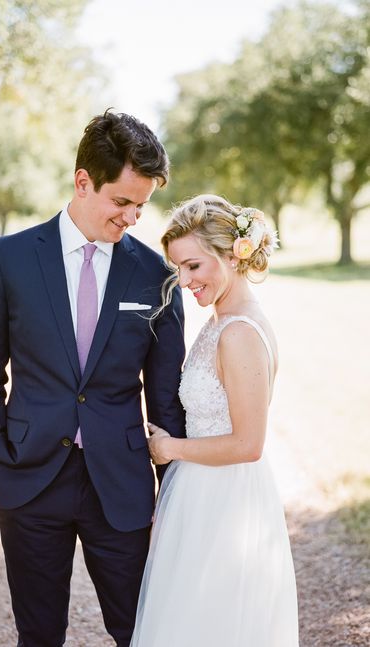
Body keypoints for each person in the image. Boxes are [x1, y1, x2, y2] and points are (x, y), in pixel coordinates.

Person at [0, 109, 185, 647]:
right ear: (84, 182)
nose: (133, 217)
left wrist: (175, 493)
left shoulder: (156, 276)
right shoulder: (7, 259)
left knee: (141, 630)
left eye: (142, 206)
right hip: (28, 477)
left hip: (121, 482)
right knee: (38, 634)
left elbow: (166, 397)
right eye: (122, 202)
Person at [130, 194, 299, 646]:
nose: (184, 281)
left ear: (231, 255)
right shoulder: (221, 320)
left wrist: (171, 449)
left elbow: (248, 444)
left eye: (194, 267)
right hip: (202, 492)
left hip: (225, 501)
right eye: (179, 269)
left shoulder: (240, 332)